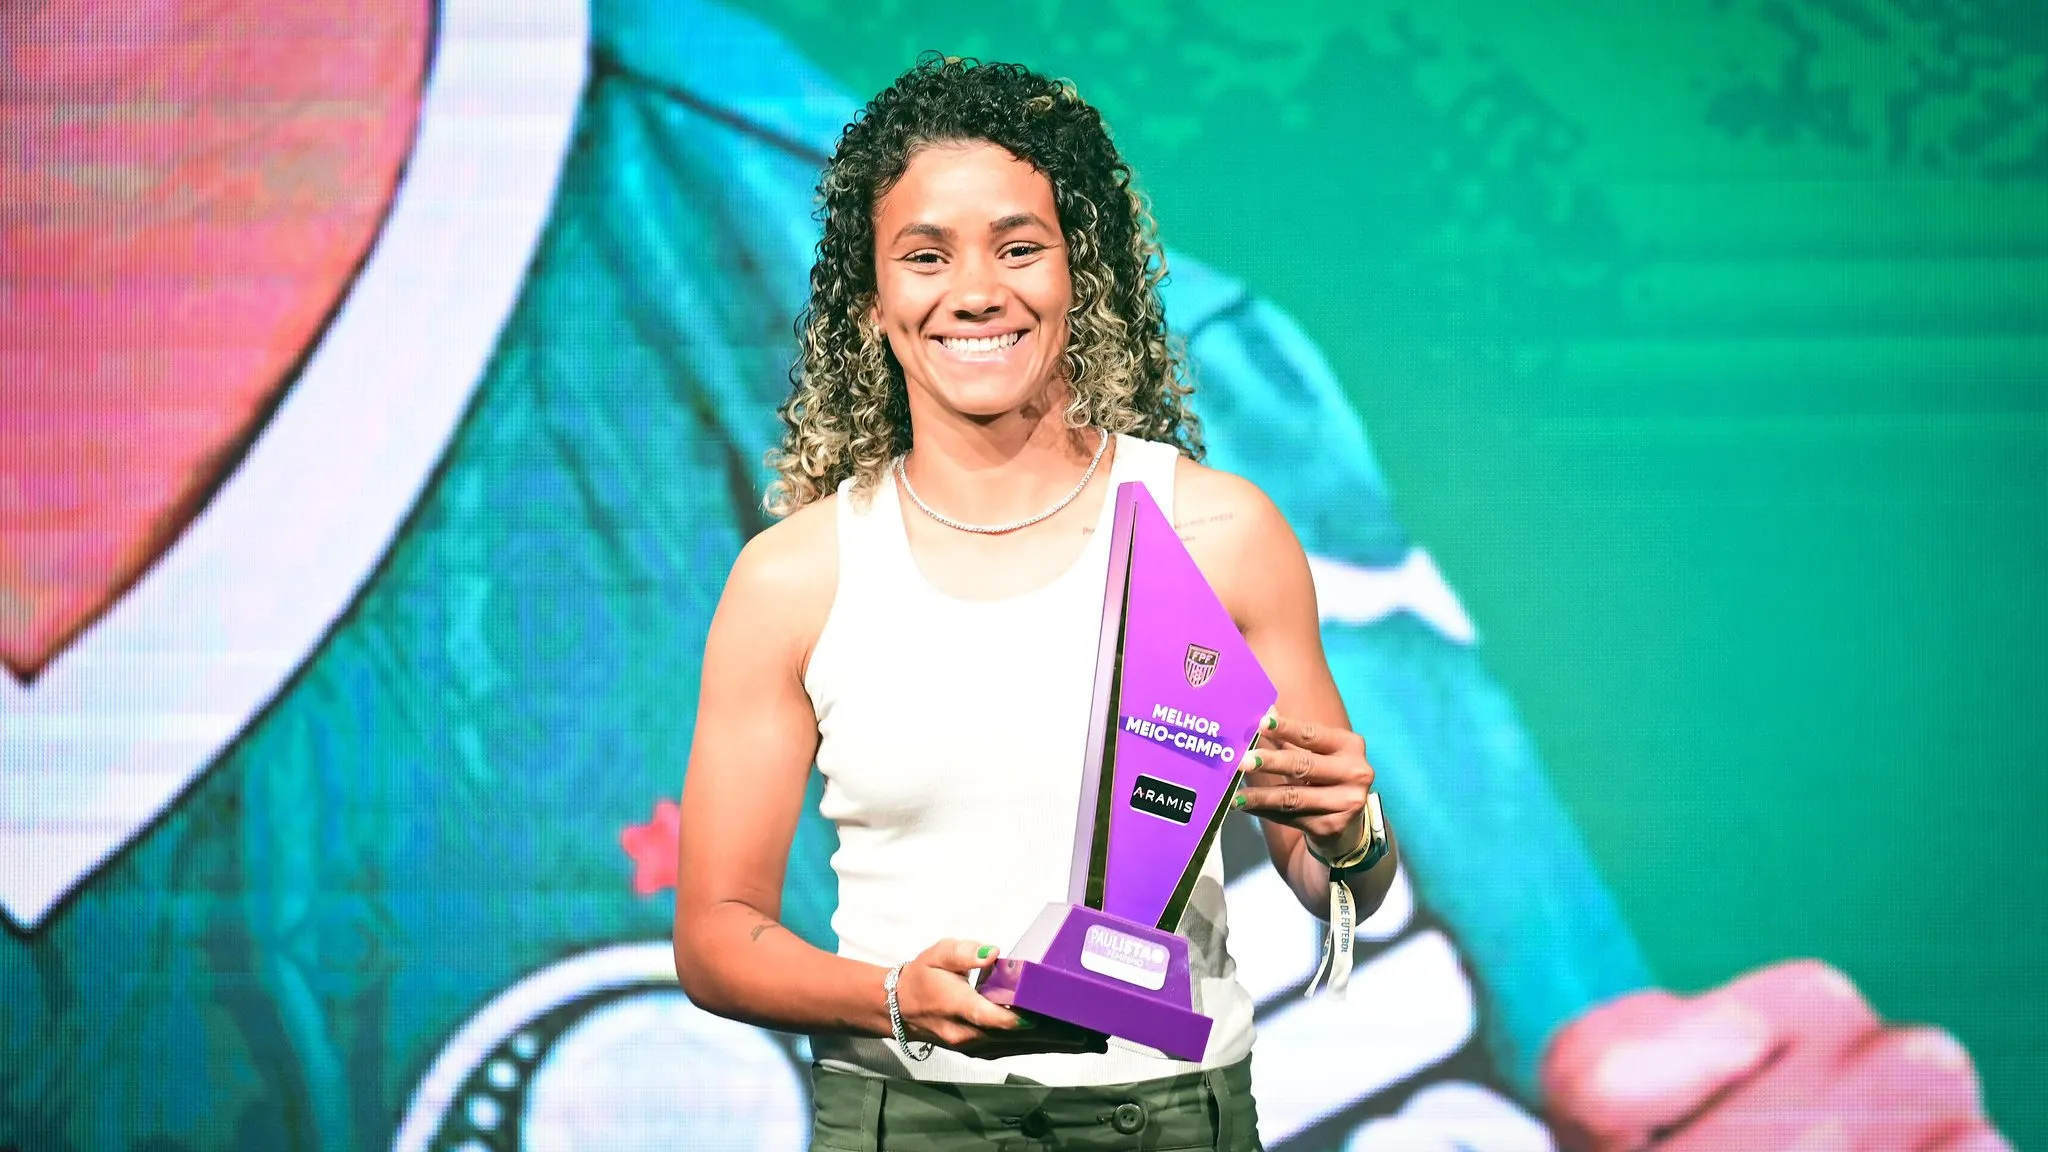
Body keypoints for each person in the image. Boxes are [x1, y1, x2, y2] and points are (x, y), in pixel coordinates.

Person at [671, 56, 1398, 1149]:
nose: (974, 291)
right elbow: (716, 936)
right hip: (902, 1117)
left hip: (1169, 1118)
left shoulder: (1216, 537)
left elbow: (1329, 868)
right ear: (869, 300)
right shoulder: (796, 576)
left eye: (1019, 247)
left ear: (1079, 273)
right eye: (925, 256)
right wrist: (888, 997)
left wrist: (1347, 839)